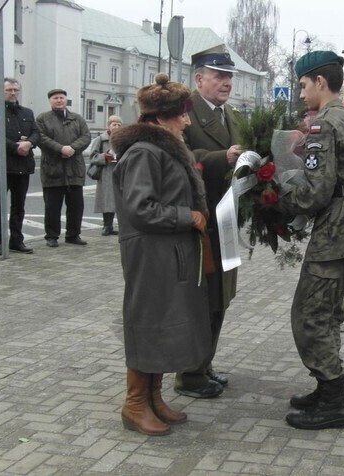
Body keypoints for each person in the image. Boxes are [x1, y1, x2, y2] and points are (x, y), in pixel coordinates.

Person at [277, 51, 344, 430]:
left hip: (339, 229)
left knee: (309, 314)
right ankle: (326, 387)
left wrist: (277, 199)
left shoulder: (325, 125)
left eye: (303, 85)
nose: (301, 93)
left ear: (320, 82)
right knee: (329, 310)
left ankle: (334, 398)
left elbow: (316, 191)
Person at [112, 72, 212, 436]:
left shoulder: (160, 149)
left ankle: (153, 397)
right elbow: (141, 208)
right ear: (161, 117)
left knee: (163, 323)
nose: (187, 121)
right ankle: (134, 404)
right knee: (149, 323)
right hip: (150, 253)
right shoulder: (143, 153)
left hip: (167, 252)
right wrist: (188, 216)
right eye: (182, 114)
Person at [175, 46, 244, 399]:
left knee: (221, 297)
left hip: (226, 218)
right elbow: (181, 156)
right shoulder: (183, 112)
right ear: (198, 78)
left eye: (229, 76)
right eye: (219, 76)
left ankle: (204, 364)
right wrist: (223, 157)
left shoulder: (229, 114)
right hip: (202, 222)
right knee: (201, 299)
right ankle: (189, 374)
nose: (226, 82)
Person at [0, 78, 39, 255]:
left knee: (19, 205)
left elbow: (36, 132)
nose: (12, 93)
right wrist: (16, 147)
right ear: (2, 91)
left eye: (15, 90)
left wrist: (29, 143)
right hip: (0, 166)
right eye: (8, 90)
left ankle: (16, 240)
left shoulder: (27, 112)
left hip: (23, 165)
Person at [35, 88, 91, 248]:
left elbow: (86, 136)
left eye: (61, 98)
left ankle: (73, 235)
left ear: (66, 100)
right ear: (50, 101)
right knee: (52, 206)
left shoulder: (77, 119)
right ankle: (52, 236)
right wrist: (60, 148)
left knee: (76, 206)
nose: (59, 100)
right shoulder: (42, 119)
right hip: (53, 169)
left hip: (75, 168)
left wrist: (72, 148)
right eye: (55, 98)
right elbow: (41, 138)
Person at [88, 115, 122, 236]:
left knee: (120, 200)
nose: (116, 127)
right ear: (108, 126)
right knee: (107, 200)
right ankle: (107, 226)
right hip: (106, 172)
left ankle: (120, 225)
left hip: (120, 171)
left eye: (119, 125)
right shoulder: (101, 139)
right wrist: (104, 157)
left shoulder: (123, 139)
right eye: (114, 124)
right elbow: (92, 157)